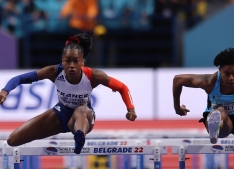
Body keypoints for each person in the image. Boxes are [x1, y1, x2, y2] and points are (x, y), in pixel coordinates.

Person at [0, 33, 137, 154]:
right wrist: (5, 91)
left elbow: (122, 87)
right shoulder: (54, 72)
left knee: (81, 109)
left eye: (76, 61)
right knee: (13, 140)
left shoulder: (94, 76)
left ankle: (79, 137)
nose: (72, 65)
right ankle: (77, 134)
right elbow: (20, 78)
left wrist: (130, 108)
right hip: (61, 113)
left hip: (84, 118)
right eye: (68, 61)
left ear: (82, 61)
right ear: (62, 61)